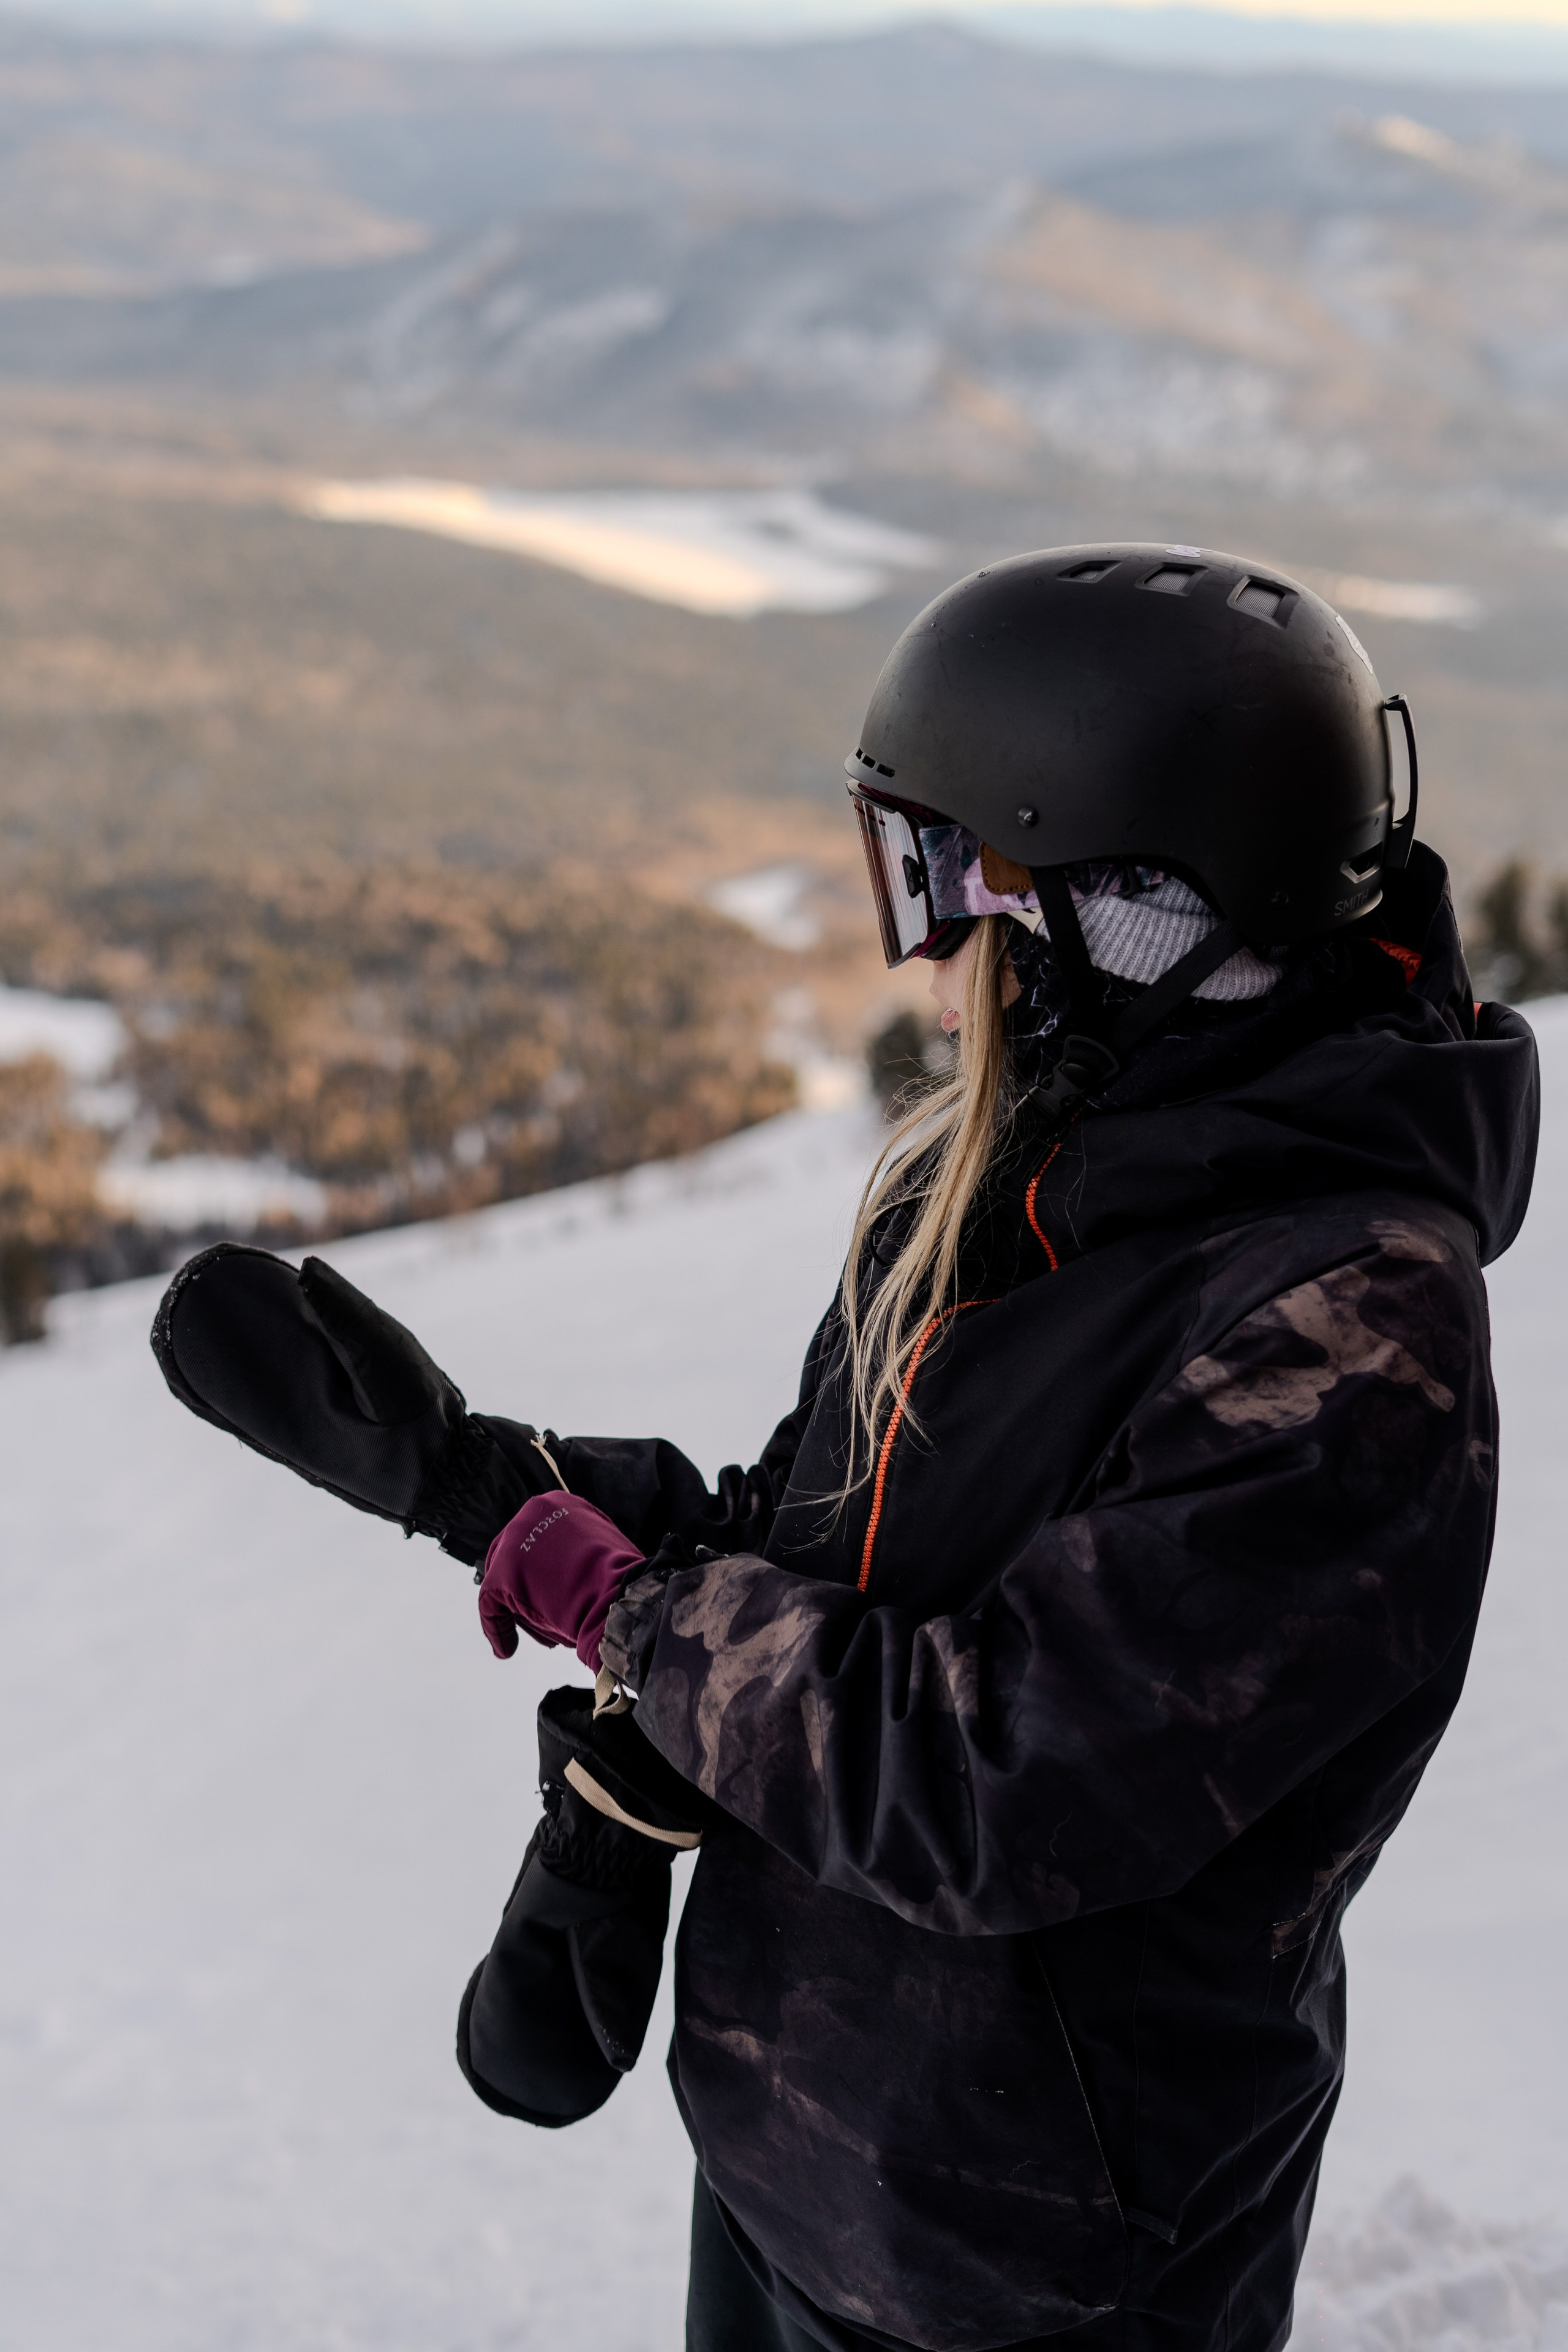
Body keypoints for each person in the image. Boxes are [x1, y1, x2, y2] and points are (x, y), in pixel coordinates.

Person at [155, 543, 1539, 2352]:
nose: (941, 933)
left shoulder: (1347, 1327)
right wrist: (476, 1481)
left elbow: (982, 1778)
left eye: (958, 868)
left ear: (1127, 906)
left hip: (1039, 2259)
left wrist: (636, 1620)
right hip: (800, 2146)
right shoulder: (1027, 1168)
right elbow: (825, 1543)